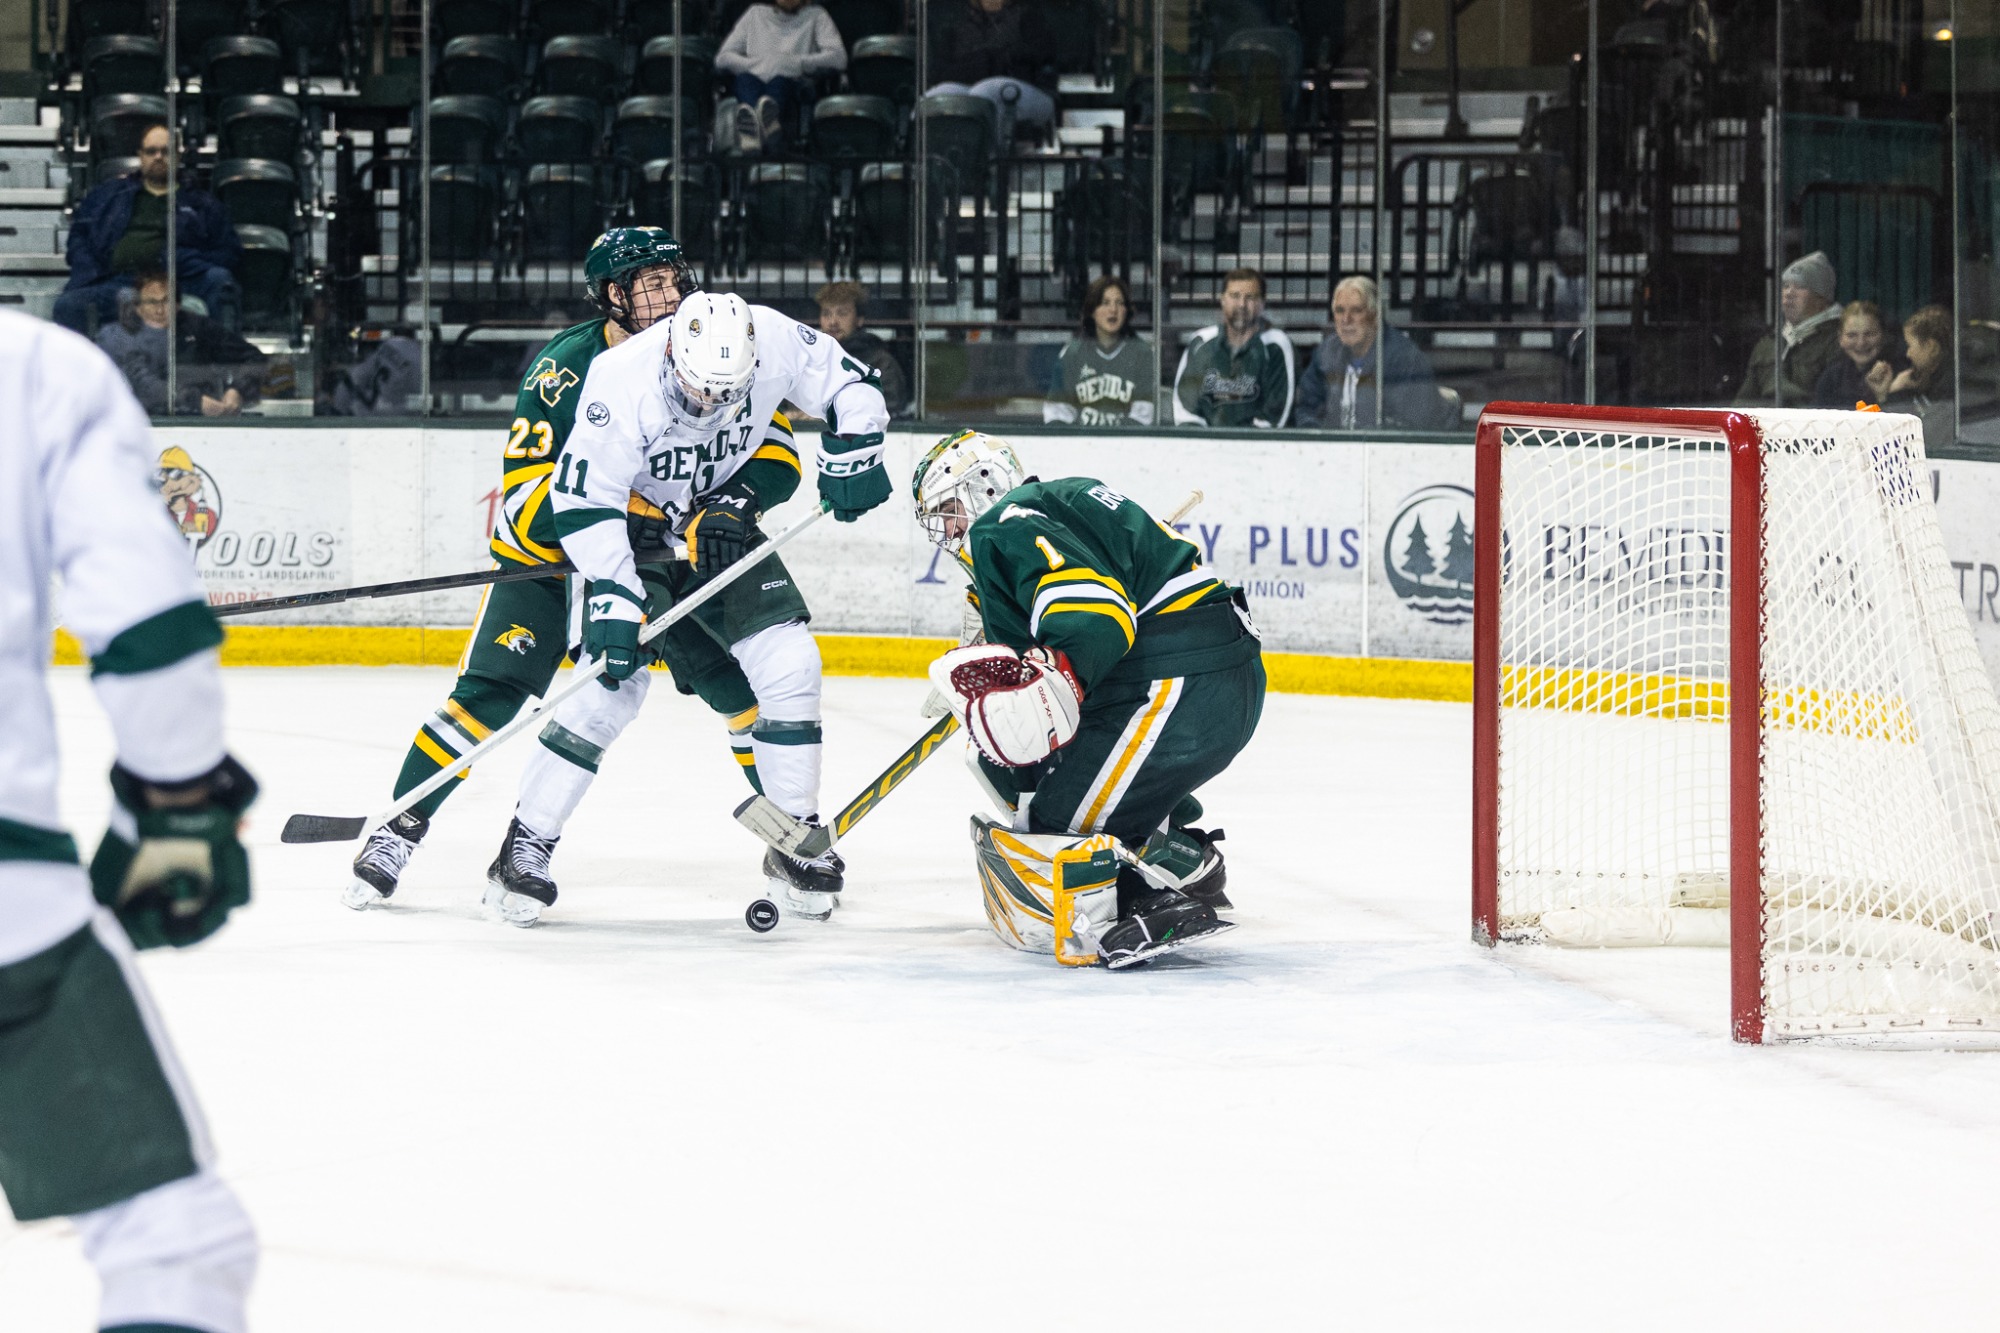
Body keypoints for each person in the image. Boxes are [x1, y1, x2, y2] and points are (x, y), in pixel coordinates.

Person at [345, 228, 775, 912]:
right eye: (651, 284)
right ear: (613, 296)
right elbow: (523, 500)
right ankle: (398, 829)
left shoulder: (709, 342)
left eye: (675, 278)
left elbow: (761, 442)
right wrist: (621, 511)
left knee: (742, 691)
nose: (672, 294)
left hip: (657, 567)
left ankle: (783, 831)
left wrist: (724, 505)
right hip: (551, 563)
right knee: (486, 697)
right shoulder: (564, 370)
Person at [0, 311, 260, 1333]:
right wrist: (176, 802)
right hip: (13, 914)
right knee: (173, 1247)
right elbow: (150, 631)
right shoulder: (35, 366)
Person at [483, 290, 893, 926]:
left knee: (791, 664)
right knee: (607, 690)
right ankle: (524, 848)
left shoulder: (777, 341)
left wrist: (855, 452)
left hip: (718, 535)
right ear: (672, 351)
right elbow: (586, 501)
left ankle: (795, 838)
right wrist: (616, 595)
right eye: (697, 389)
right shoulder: (620, 378)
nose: (708, 405)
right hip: (634, 540)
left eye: (725, 394)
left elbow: (853, 386)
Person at [912, 429, 1262, 967]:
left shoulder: (1000, 524)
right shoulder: (1058, 501)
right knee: (1035, 781)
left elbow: (1096, 619)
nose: (951, 530)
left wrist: (1053, 678)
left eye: (950, 510)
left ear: (984, 485)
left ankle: (1150, 898)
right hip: (1208, 678)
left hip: (1173, 683)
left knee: (1058, 830)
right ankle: (1184, 859)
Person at [54, 123, 241, 336]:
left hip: (180, 283)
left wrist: (190, 262)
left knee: (221, 282)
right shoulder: (109, 195)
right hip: (118, 282)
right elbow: (79, 236)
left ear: (178, 156)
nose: (159, 157)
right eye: (151, 151)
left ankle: (226, 365)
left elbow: (229, 251)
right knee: (68, 306)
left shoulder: (203, 203)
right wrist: (93, 269)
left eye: (166, 151)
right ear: (140, 156)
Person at [94, 271, 268, 417]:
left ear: (177, 305)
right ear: (138, 307)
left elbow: (253, 358)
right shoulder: (121, 334)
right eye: (152, 302)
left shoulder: (198, 327)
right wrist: (193, 400)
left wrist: (237, 390)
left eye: (166, 301)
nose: (160, 310)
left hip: (201, 421)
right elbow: (144, 385)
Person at [1295, 275, 1456, 430]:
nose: (1346, 319)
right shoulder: (1326, 354)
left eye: (1356, 310)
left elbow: (1413, 425)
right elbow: (1306, 409)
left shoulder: (1404, 358)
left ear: (1375, 315)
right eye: (1339, 310)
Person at [715, 0, 847, 153]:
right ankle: (762, 129)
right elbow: (723, 58)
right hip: (754, 77)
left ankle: (758, 132)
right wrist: (761, 64)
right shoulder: (755, 13)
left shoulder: (817, 15)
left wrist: (797, 63)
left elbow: (839, 58)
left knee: (779, 83)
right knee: (744, 80)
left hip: (790, 79)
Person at [1171, 268, 1295, 428]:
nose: (1242, 304)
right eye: (1235, 296)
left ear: (1262, 303)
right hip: (1204, 447)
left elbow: (1273, 417)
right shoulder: (1201, 341)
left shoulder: (1276, 345)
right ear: (1222, 300)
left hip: (1257, 448)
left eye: (1250, 297)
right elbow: (1186, 410)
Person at [925, 0, 1058, 134]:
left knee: (986, 92)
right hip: (972, 86)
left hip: (1032, 91)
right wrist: (982, 62)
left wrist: (988, 61)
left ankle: (990, 153)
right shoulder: (957, 20)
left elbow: (1036, 61)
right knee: (938, 95)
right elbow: (940, 71)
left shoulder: (1028, 13)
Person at [1044, 274, 1156, 427]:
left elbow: (1143, 415)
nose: (1113, 310)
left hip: (1126, 445)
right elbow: (1057, 413)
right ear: (1092, 310)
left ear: (1126, 310)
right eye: (1105, 303)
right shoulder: (1073, 352)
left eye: (1119, 303)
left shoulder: (1141, 353)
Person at [1737, 250, 1843, 407]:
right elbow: (1743, 402)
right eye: (1785, 286)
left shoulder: (1840, 340)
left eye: (1800, 287)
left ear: (1822, 297)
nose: (1788, 293)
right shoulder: (1768, 344)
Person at [816, 280, 911, 417]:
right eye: (826, 314)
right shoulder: (811, 359)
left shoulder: (881, 363)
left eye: (842, 313)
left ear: (859, 319)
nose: (833, 322)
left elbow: (890, 408)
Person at [1871, 303, 1955, 450]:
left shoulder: (1946, 387)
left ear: (1931, 347)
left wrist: (1896, 393)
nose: (1908, 354)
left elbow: (1911, 439)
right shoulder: (1924, 380)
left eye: (1910, 345)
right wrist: (1885, 395)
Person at [1813, 300, 1896, 409]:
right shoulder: (1830, 378)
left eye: (1870, 334)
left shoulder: (1898, 373)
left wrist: (1882, 397)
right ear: (1840, 338)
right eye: (1851, 335)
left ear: (1883, 335)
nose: (1861, 343)